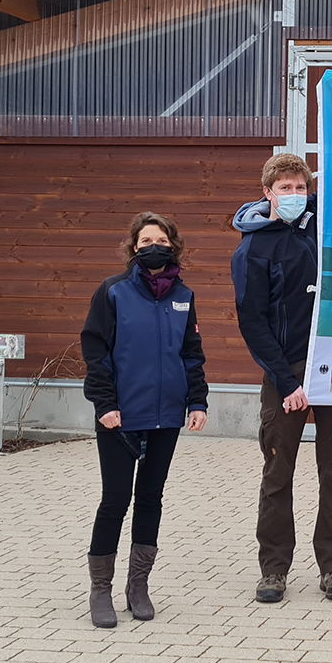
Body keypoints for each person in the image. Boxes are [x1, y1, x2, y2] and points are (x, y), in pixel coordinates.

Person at [232, 153, 332, 603]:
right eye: (283, 188)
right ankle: (273, 570)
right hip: (285, 376)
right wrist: (287, 385)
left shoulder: (323, 226)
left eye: (299, 187)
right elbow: (253, 323)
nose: (292, 195)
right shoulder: (252, 249)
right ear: (267, 192)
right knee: (277, 473)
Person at [81, 212, 208, 629]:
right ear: (134, 248)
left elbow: (191, 352)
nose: (154, 246)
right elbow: (95, 350)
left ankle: (138, 587)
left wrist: (197, 401)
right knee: (115, 501)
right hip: (121, 417)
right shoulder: (113, 291)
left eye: (162, 240)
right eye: (145, 240)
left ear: (173, 246)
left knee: (150, 499)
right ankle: (101, 590)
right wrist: (105, 404)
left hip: (166, 417)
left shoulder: (184, 296)